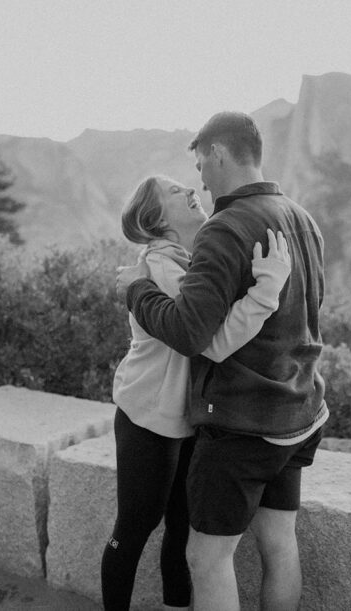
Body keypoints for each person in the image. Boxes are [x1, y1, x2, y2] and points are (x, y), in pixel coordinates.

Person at [116, 112, 328, 611]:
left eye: (200, 166)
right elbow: (309, 312)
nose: (200, 181)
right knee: (279, 543)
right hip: (300, 411)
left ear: (217, 153)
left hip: (244, 424)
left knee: (207, 558)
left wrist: (136, 290)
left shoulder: (224, 228)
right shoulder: (302, 217)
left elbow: (192, 335)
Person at [103, 173, 292, 611]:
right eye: (175, 192)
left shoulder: (190, 263)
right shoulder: (157, 267)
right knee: (134, 527)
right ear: (155, 219)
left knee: (182, 525)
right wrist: (267, 290)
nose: (191, 191)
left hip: (191, 418)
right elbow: (213, 339)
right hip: (148, 418)